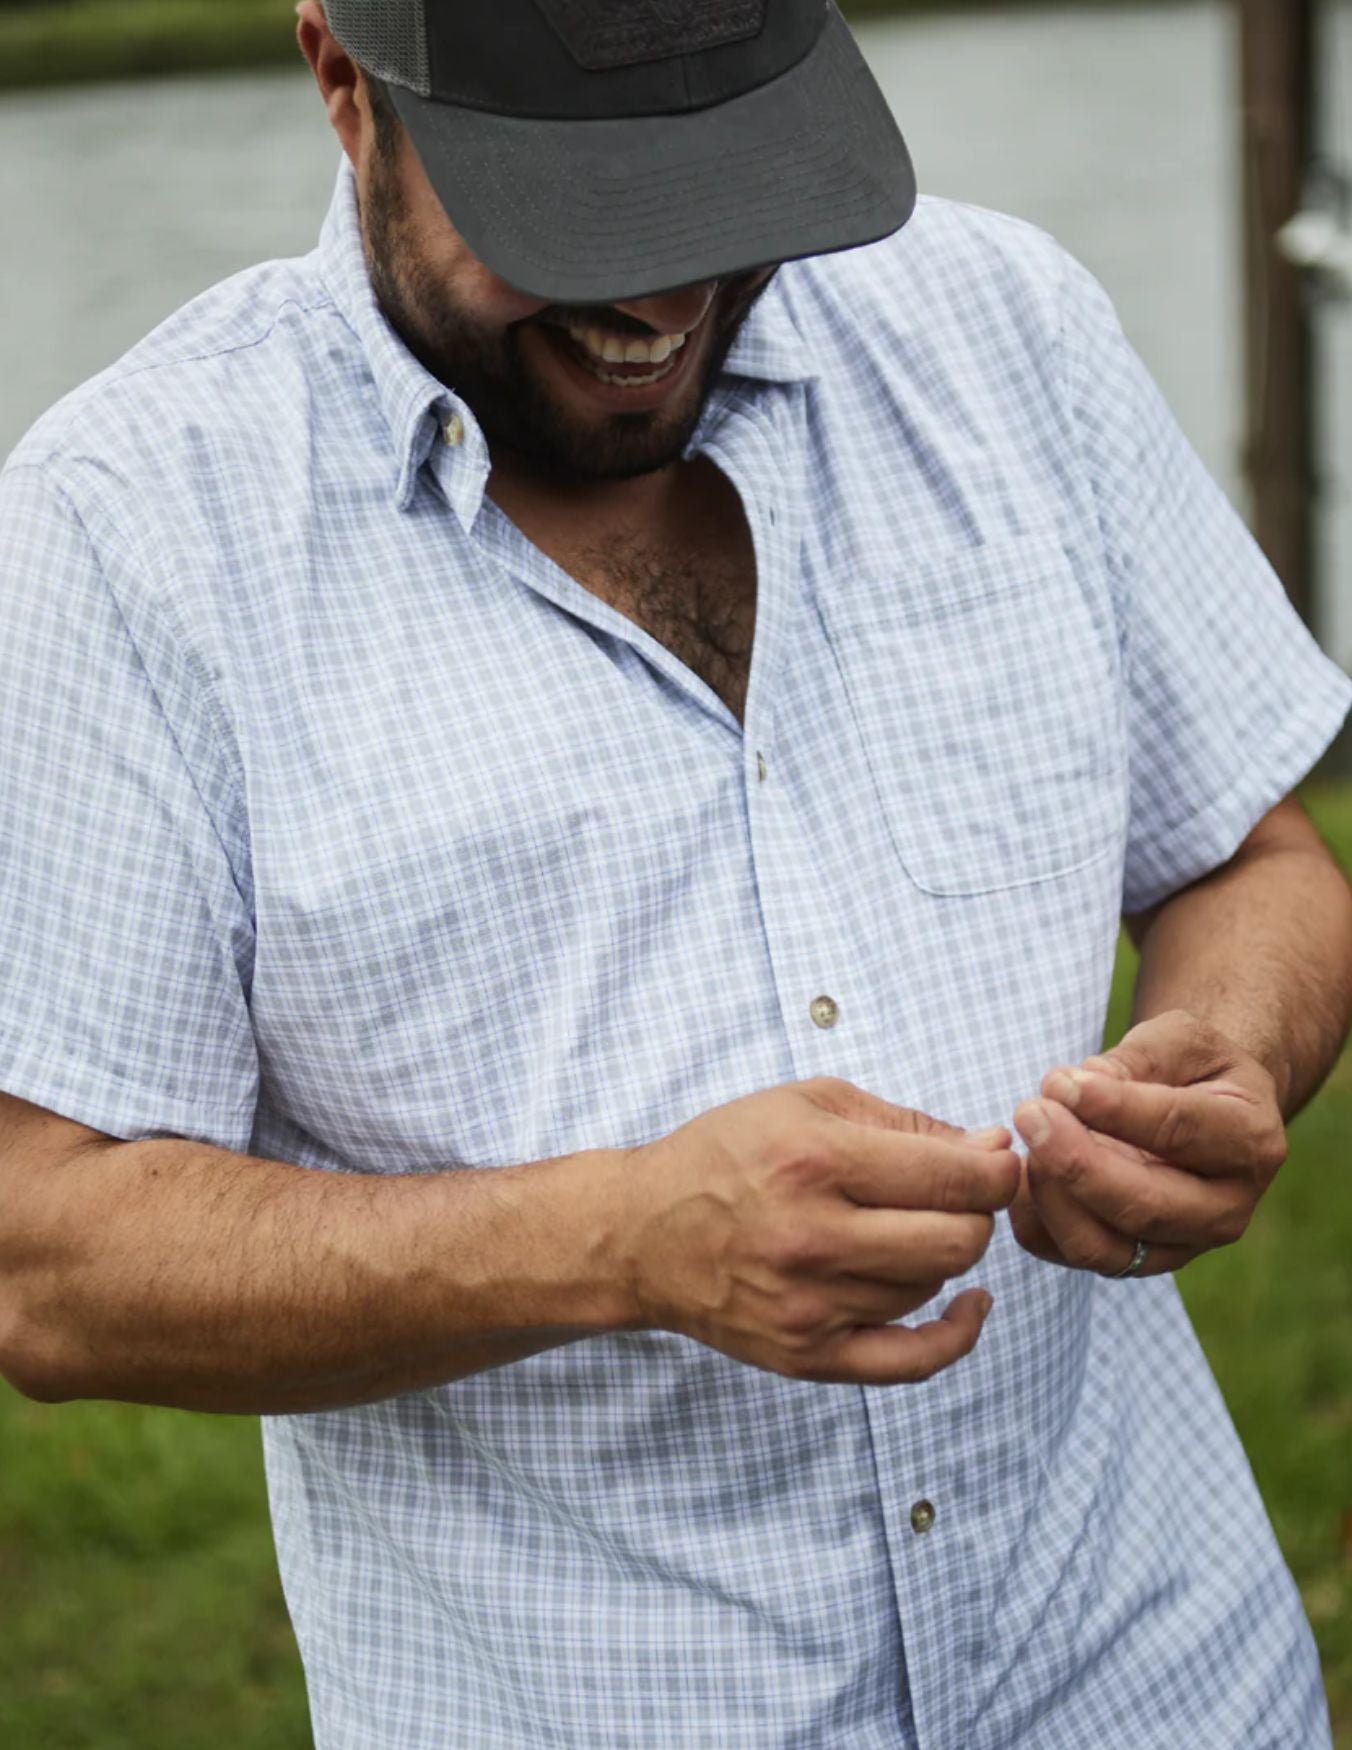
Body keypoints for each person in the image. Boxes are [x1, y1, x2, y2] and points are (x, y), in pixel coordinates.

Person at [1, 0, 1349, 1743]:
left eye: (717, 190)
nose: (660, 303)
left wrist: (1229, 1049)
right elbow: (45, 1247)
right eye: (576, 214)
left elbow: (1252, 854)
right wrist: (616, 1241)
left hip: (1172, 1679)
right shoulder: (125, 531)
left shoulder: (1004, 325)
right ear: (344, 83)